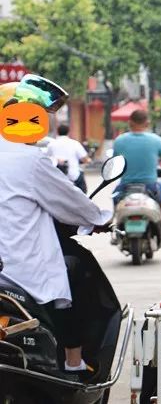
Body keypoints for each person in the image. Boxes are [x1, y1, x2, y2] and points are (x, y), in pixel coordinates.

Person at [0, 75, 112, 376]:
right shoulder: (28, 159)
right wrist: (100, 218)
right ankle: (72, 360)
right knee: (68, 278)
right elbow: (70, 201)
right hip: (19, 264)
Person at [112, 109, 161, 218]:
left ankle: (116, 222)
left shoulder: (119, 141)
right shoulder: (156, 140)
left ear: (129, 122)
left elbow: (114, 165)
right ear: (147, 123)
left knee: (115, 198)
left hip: (125, 187)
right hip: (150, 188)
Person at [47, 124, 91, 193]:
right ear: (68, 132)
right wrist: (88, 160)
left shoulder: (51, 144)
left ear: (57, 132)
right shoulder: (75, 143)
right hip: (74, 176)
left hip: (57, 176)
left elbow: (47, 157)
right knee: (83, 193)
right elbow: (84, 159)